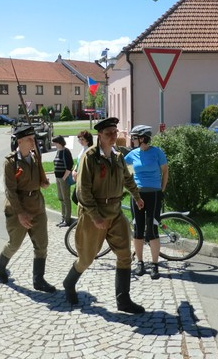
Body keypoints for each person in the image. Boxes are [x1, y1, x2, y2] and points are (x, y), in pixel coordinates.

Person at [62, 117, 145, 314]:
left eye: (115, 132)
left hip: (115, 212)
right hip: (94, 214)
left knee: (125, 255)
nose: (113, 136)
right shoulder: (89, 157)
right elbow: (83, 191)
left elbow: (127, 178)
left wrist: (137, 196)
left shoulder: (118, 156)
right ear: (99, 135)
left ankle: (123, 300)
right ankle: (69, 282)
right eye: (109, 133)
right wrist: (95, 216)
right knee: (86, 258)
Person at [0, 125, 56, 293]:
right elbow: (10, 191)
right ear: (20, 141)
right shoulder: (11, 162)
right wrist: (21, 214)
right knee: (14, 244)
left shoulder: (35, 158)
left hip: (37, 206)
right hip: (18, 208)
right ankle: (1, 263)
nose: (33, 142)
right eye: (29, 139)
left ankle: (38, 280)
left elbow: (39, 180)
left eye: (33, 138)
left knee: (42, 245)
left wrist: (43, 183)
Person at [124, 125, 169, 280]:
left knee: (152, 230)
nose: (133, 140)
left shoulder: (157, 153)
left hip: (154, 194)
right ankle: (140, 262)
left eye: (135, 137)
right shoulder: (132, 155)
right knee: (138, 229)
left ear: (143, 138)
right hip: (137, 195)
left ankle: (155, 264)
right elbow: (125, 172)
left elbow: (165, 171)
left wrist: (162, 190)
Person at [52, 135, 74, 227]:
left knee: (66, 199)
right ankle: (63, 218)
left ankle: (67, 220)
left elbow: (70, 165)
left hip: (63, 178)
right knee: (61, 198)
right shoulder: (58, 151)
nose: (54, 144)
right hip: (58, 178)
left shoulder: (66, 151)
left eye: (55, 142)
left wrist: (64, 177)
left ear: (59, 142)